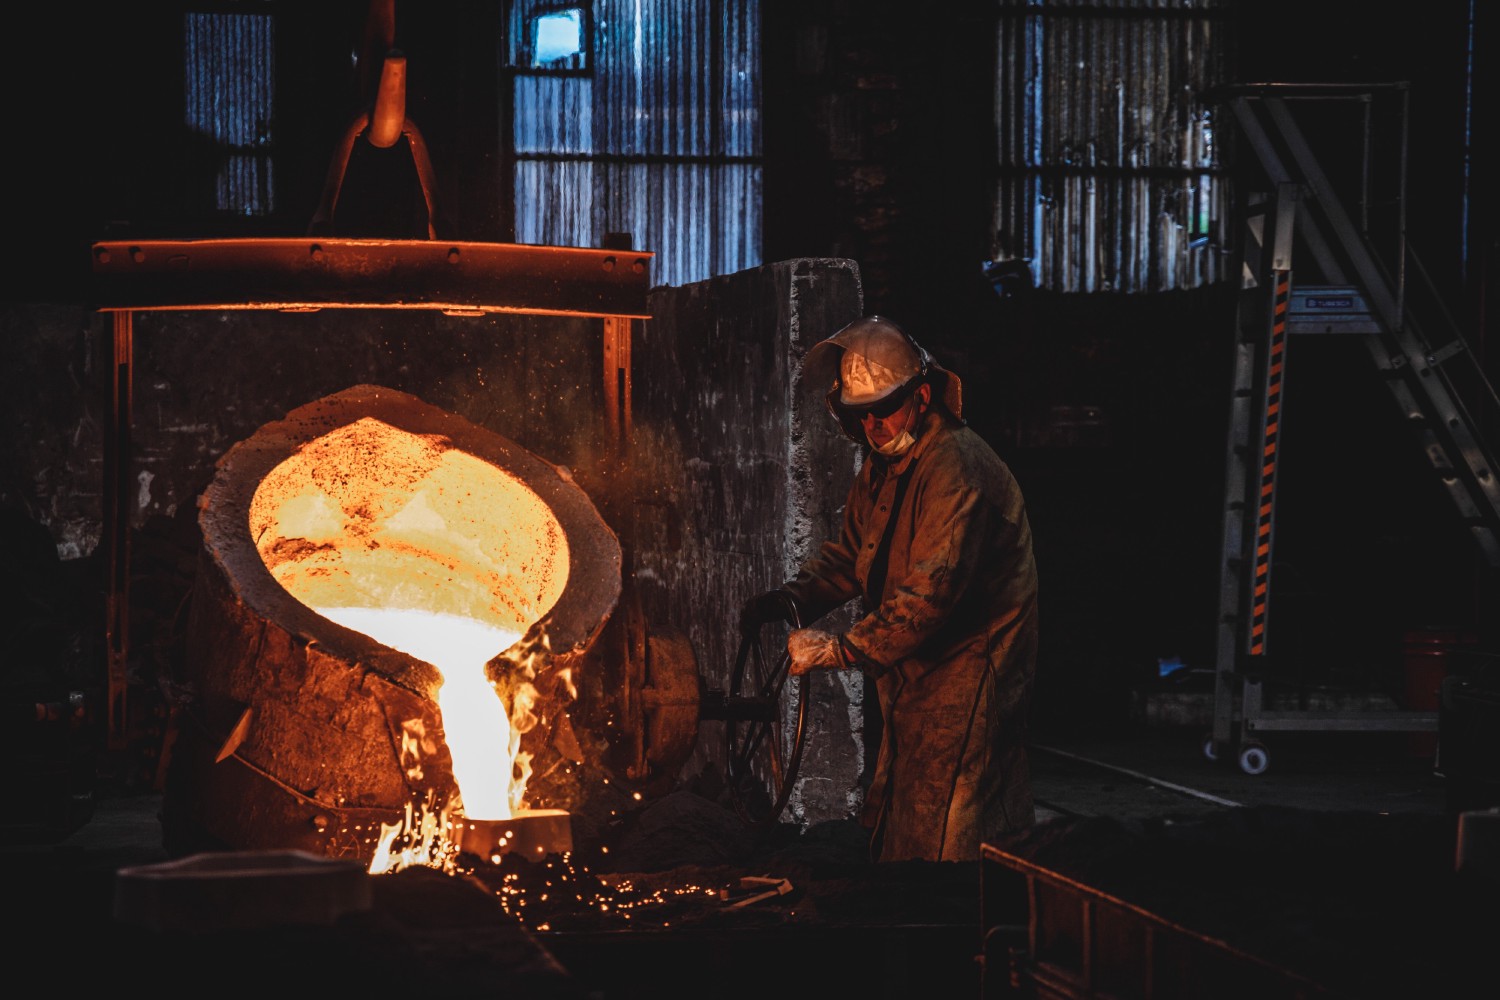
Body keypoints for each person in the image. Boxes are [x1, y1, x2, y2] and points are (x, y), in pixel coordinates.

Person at [739, 315, 1039, 862]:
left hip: (970, 676)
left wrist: (840, 649)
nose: (873, 424)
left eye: (883, 409)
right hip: (914, 678)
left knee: (956, 832)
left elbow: (931, 595)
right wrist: (791, 599)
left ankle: (975, 911)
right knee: (906, 820)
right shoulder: (887, 466)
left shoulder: (956, 469)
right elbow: (855, 556)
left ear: (921, 397)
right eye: (860, 413)